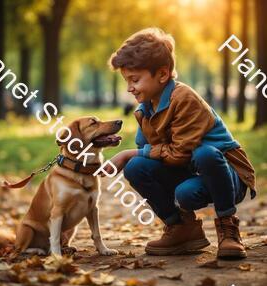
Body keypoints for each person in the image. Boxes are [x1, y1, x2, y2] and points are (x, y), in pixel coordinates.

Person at [105, 28, 256, 259]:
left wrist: (128, 153)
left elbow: (179, 154)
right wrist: (131, 157)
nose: (129, 88)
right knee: (137, 168)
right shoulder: (145, 108)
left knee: (205, 153)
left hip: (227, 174)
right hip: (191, 172)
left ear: (163, 75)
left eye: (135, 80)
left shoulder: (184, 98)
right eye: (126, 81)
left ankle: (228, 227)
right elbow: (150, 155)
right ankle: (181, 229)